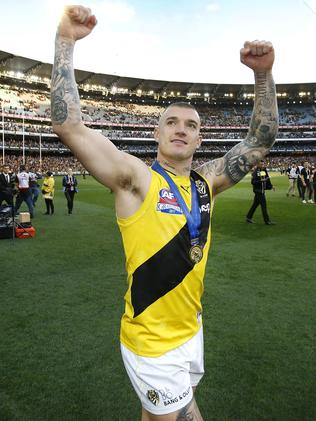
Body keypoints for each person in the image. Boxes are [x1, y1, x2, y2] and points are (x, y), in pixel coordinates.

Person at [51, 6, 278, 420]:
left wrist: (263, 76)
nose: (180, 128)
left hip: (191, 329)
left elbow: (259, 142)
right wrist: (65, 41)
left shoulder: (206, 181)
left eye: (189, 125)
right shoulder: (136, 180)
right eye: (170, 122)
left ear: (197, 138)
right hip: (152, 342)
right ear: (156, 133)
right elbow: (70, 127)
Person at [246, 160, 275, 225]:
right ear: (258, 164)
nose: (262, 166)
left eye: (263, 164)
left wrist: (271, 186)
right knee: (264, 206)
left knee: (255, 205)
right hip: (258, 191)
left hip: (261, 190)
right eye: (261, 164)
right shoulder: (256, 172)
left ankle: (248, 217)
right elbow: (253, 182)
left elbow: (267, 179)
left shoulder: (264, 170)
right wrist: (261, 180)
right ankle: (267, 221)